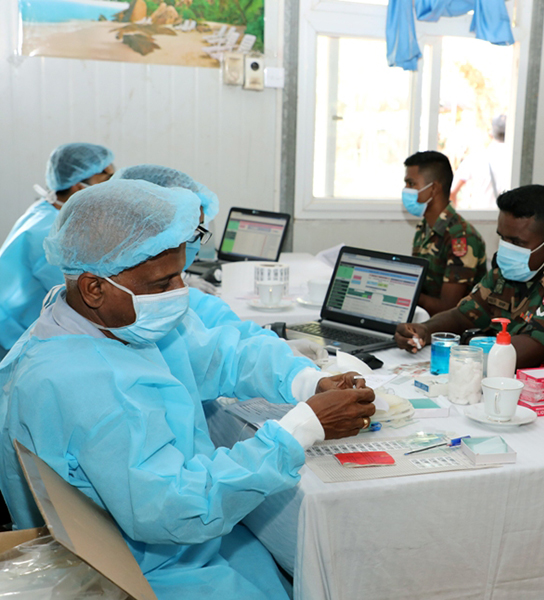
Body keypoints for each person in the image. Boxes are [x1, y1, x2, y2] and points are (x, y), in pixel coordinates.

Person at [0, 180, 376, 600]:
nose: (179, 293)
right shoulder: (83, 382)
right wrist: (301, 430)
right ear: (94, 287)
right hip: (135, 567)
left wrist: (305, 379)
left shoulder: (97, 323)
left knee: (278, 560)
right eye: (161, 285)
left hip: (170, 542)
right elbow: (173, 508)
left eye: (181, 274)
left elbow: (219, 354)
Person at [395, 184, 544, 427]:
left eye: (517, 241)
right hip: (521, 397)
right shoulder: (518, 266)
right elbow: (465, 314)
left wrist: (460, 351)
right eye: (503, 238)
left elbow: (516, 357)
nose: (506, 249)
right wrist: (425, 330)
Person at [112, 164, 278, 340]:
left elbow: (229, 338)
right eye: (187, 229)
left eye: (197, 228)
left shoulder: (186, 300)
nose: (192, 240)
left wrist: (281, 346)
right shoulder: (125, 305)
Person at [0, 143, 114, 358]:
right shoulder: (50, 233)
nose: (113, 185)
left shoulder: (46, 209)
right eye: (106, 179)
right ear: (78, 187)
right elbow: (79, 295)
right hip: (9, 331)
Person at [404, 151, 487, 315]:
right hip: (426, 320)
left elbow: (449, 308)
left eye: (411, 184)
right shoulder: (424, 228)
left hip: (453, 331)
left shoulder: (461, 237)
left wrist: (406, 293)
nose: (406, 190)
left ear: (433, 188)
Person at [450, 114, 511, 209]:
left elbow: (452, 192)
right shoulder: (519, 161)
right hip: (509, 219)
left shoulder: (475, 158)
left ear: (491, 134)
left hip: (480, 219)